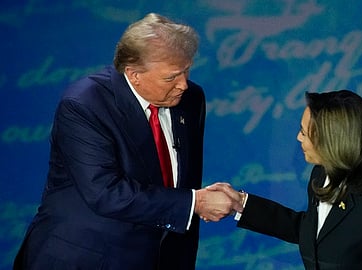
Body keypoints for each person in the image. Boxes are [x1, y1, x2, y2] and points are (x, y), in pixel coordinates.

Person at [13, 13, 242, 270]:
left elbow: (182, 180)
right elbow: (105, 192)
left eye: (186, 71)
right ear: (133, 74)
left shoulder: (191, 100)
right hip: (87, 258)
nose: (183, 85)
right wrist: (195, 203)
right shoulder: (84, 105)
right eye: (172, 77)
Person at [210, 90, 362, 270]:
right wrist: (241, 204)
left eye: (304, 132)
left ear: (331, 140)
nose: (298, 138)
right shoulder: (320, 176)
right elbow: (313, 232)